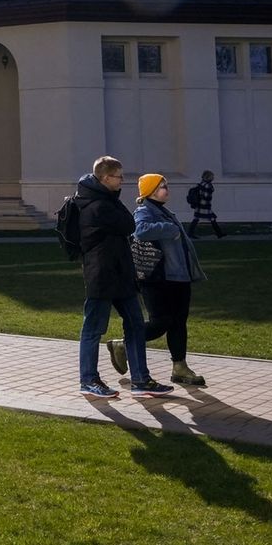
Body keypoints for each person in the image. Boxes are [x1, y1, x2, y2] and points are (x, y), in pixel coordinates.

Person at [73, 155, 171, 399]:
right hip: (102, 275)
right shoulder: (96, 205)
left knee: (136, 325)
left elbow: (126, 224)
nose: (122, 181)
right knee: (93, 329)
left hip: (121, 274)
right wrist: (117, 206)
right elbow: (129, 225)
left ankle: (140, 379)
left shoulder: (106, 200)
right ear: (105, 178)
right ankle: (88, 379)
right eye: (118, 177)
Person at [122, 173, 209, 387]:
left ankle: (179, 366)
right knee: (160, 323)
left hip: (179, 278)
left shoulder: (164, 211)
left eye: (166, 186)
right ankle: (124, 345)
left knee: (179, 322)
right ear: (150, 190)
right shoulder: (145, 210)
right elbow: (140, 231)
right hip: (157, 278)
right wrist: (168, 229)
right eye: (162, 186)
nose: (166, 190)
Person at [185, 169, 223, 239]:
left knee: (197, 218)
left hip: (199, 204)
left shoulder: (201, 183)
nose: (213, 178)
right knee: (212, 218)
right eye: (212, 176)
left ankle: (190, 233)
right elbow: (206, 196)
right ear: (208, 177)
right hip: (205, 205)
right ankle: (219, 234)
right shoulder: (208, 185)